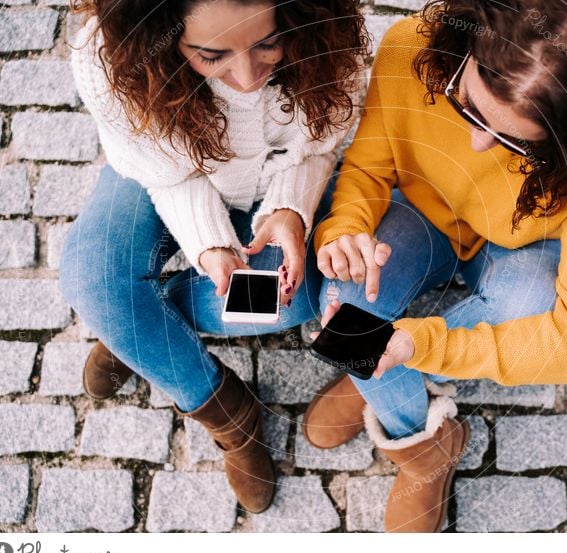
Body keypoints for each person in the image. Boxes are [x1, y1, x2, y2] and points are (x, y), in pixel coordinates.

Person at [301, 0, 567, 532]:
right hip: (421, 213)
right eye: (467, 104)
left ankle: (381, 376)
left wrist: (419, 344)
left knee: (525, 306)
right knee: (349, 293)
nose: (477, 142)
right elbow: (368, 167)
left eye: (519, 143)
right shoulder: (409, 46)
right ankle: (424, 445)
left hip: (519, 247)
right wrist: (345, 226)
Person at [59, 0, 367, 513]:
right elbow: (168, 174)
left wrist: (290, 208)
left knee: (289, 300)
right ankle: (230, 417)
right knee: (93, 280)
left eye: (269, 42)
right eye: (211, 53)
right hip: (161, 172)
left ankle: (136, 332)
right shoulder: (108, 55)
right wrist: (210, 247)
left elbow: (316, 147)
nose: (246, 77)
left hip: (269, 179)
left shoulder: (332, 39)